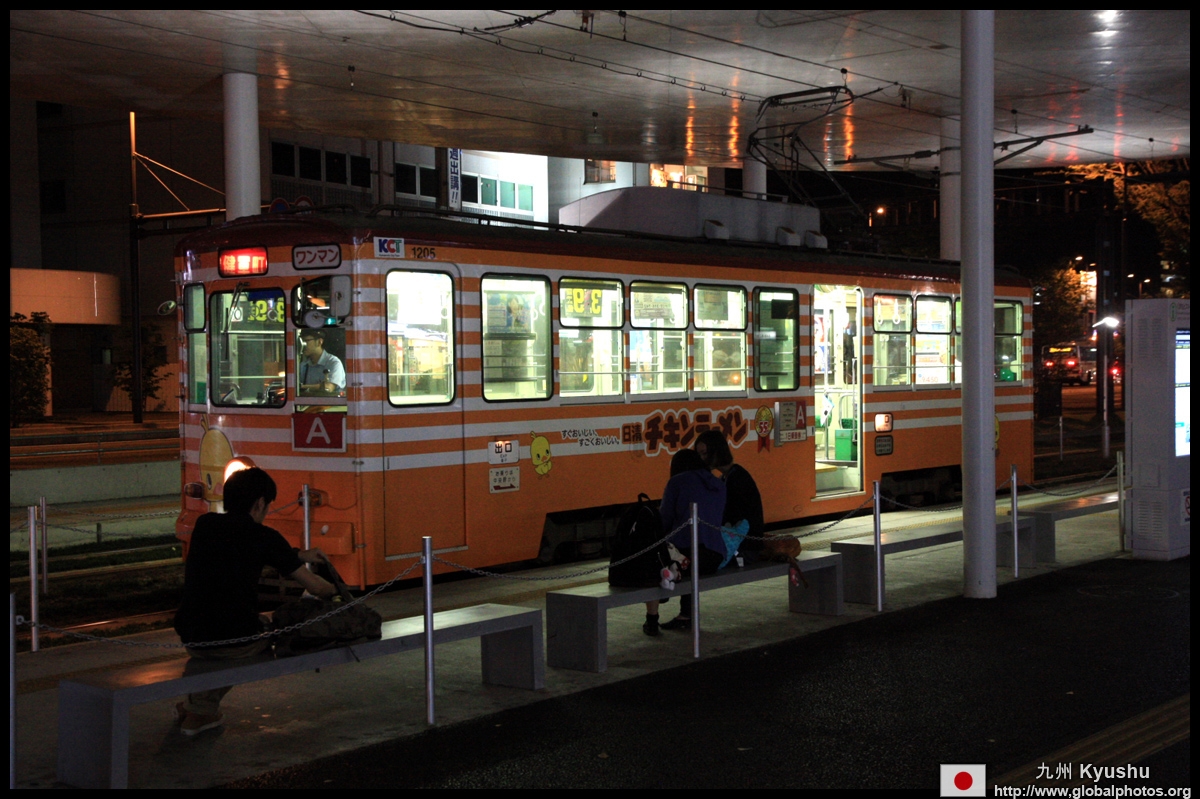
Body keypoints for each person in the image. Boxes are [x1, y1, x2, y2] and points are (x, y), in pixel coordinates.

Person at [173, 467, 336, 736]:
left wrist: (300, 554)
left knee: (243, 626)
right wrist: (336, 590)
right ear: (260, 503)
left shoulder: (205, 524)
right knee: (268, 641)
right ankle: (200, 711)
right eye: (268, 505)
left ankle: (195, 705)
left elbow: (248, 548)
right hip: (230, 642)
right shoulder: (263, 536)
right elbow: (316, 587)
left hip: (190, 635)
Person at [646, 448, 726, 636]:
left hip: (689, 555)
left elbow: (664, 519)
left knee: (654, 563)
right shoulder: (718, 483)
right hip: (715, 556)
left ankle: (651, 620)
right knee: (687, 565)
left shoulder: (677, 482)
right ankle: (686, 614)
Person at [695, 429, 765, 555]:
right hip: (742, 541)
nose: (701, 458)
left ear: (717, 451)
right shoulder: (729, 476)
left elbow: (731, 515)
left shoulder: (737, 478)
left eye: (704, 453)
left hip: (744, 546)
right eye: (699, 455)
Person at [298, 329, 346, 396]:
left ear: (319, 342)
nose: (303, 345)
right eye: (301, 342)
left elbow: (328, 388)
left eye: (306, 341)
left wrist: (300, 387)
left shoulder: (333, 362)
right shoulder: (303, 365)